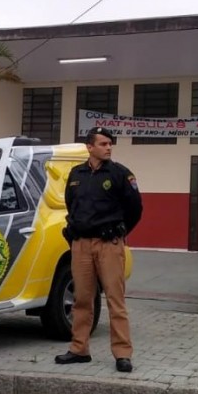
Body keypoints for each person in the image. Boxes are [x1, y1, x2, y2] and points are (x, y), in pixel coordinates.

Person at [56, 126, 143, 373]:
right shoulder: (77, 174)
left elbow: (135, 208)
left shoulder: (120, 173)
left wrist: (119, 232)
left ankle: (122, 354)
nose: (108, 147)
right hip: (81, 244)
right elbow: (71, 204)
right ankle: (79, 349)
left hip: (109, 244)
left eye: (110, 144)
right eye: (103, 144)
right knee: (82, 299)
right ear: (90, 147)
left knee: (116, 300)